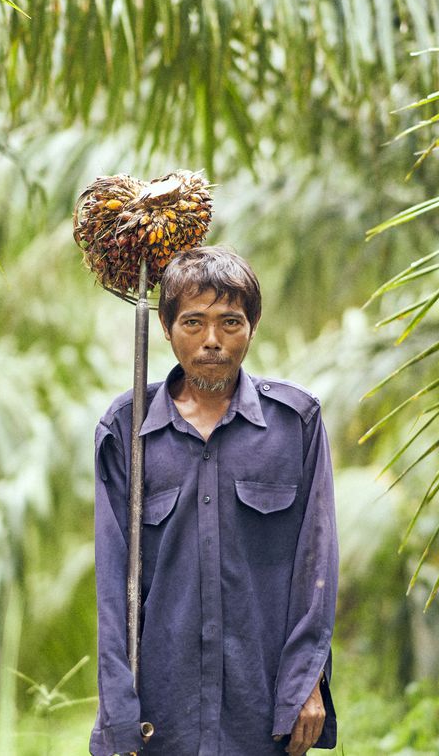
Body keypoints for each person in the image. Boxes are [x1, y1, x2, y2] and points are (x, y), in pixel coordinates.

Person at [89, 246, 339, 756]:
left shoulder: (296, 424)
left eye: (229, 322)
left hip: (262, 708)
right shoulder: (126, 431)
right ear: (164, 327)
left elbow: (317, 565)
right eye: (193, 322)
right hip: (159, 713)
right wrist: (118, 713)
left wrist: (306, 682)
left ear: (253, 325)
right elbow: (114, 585)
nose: (211, 341)